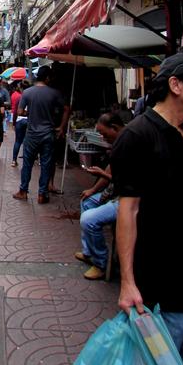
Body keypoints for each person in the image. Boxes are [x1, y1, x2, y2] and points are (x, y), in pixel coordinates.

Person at [111, 52, 183, 361]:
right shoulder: (137, 136)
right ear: (176, 85)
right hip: (163, 283)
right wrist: (128, 282)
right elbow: (128, 212)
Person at [74, 112, 124, 280]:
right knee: (87, 202)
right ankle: (89, 252)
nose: (102, 138)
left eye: (104, 133)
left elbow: (127, 181)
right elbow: (110, 170)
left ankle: (100, 263)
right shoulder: (118, 144)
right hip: (112, 192)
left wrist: (104, 174)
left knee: (89, 220)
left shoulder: (129, 143)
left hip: (125, 198)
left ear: (115, 128)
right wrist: (93, 189)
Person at [13, 65, 64, 204]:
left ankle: (23, 191)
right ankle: (42, 194)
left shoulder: (28, 92)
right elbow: (66, 108)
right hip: (48, 133)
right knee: (46, 164)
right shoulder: (54, 93)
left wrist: (30, 113)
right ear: (47, 78)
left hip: (32, 134)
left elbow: (19, 112)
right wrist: (61, 127)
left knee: (27, 163)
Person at [11, 81, 29, 167]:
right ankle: (26, 160)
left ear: (21, 88)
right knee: (26, 141)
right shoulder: (32, 97)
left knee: (17, 141)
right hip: (28, 121)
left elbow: (15, 112)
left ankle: (14, 160)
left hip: (19, 120)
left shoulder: (20, 98)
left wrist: (14, 123)